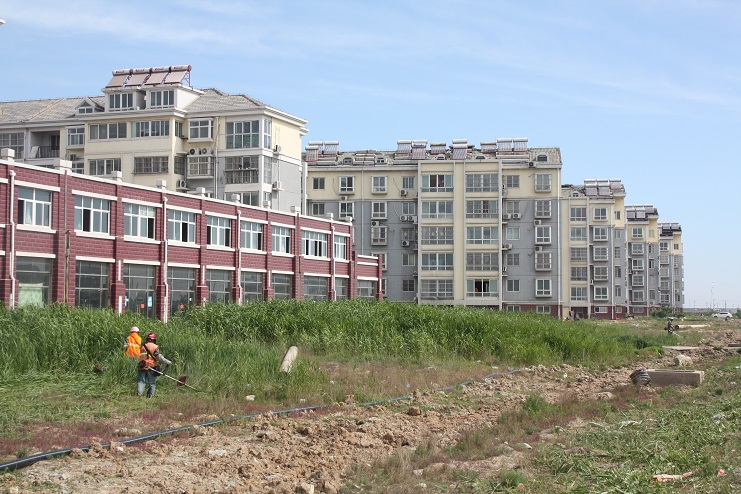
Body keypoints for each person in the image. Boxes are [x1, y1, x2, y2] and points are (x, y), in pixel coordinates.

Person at [137, 332, 173, 398]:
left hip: (142, 366)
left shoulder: (143, 346)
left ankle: (139, 394)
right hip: (151, 367)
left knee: (141, 381)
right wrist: (168, 362)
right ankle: (150, 397)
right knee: (152, 383)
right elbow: (159, 357)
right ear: (154, 340)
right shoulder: (155, 347)